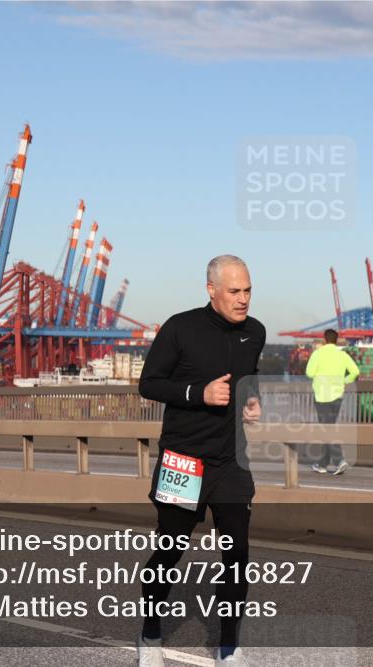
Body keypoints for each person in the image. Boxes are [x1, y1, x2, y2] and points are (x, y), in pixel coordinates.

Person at [136, 255, 264, 667]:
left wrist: (250, 399)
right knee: (170, 553)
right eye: (234, 291)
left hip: (230, 464)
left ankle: (228, 646)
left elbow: (248, 374)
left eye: (247, 290)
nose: (243, 299)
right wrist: (199, 394)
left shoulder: (255, 332)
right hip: (183, 461)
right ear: (211, 290)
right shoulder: (180, 327)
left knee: (238, 555)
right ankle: (150, 633)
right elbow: (149, 384)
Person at [305, 329, 360, 475]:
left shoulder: (317, 354)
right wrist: (343, 381)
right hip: (337, 395)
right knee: (328, 426)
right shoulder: (342, 355)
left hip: (321, 396)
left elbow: (309, 373)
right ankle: (323, 464)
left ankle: (339, 460)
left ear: (324, 339)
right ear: (337, 340)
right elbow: (355, 372)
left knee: (326, 428)